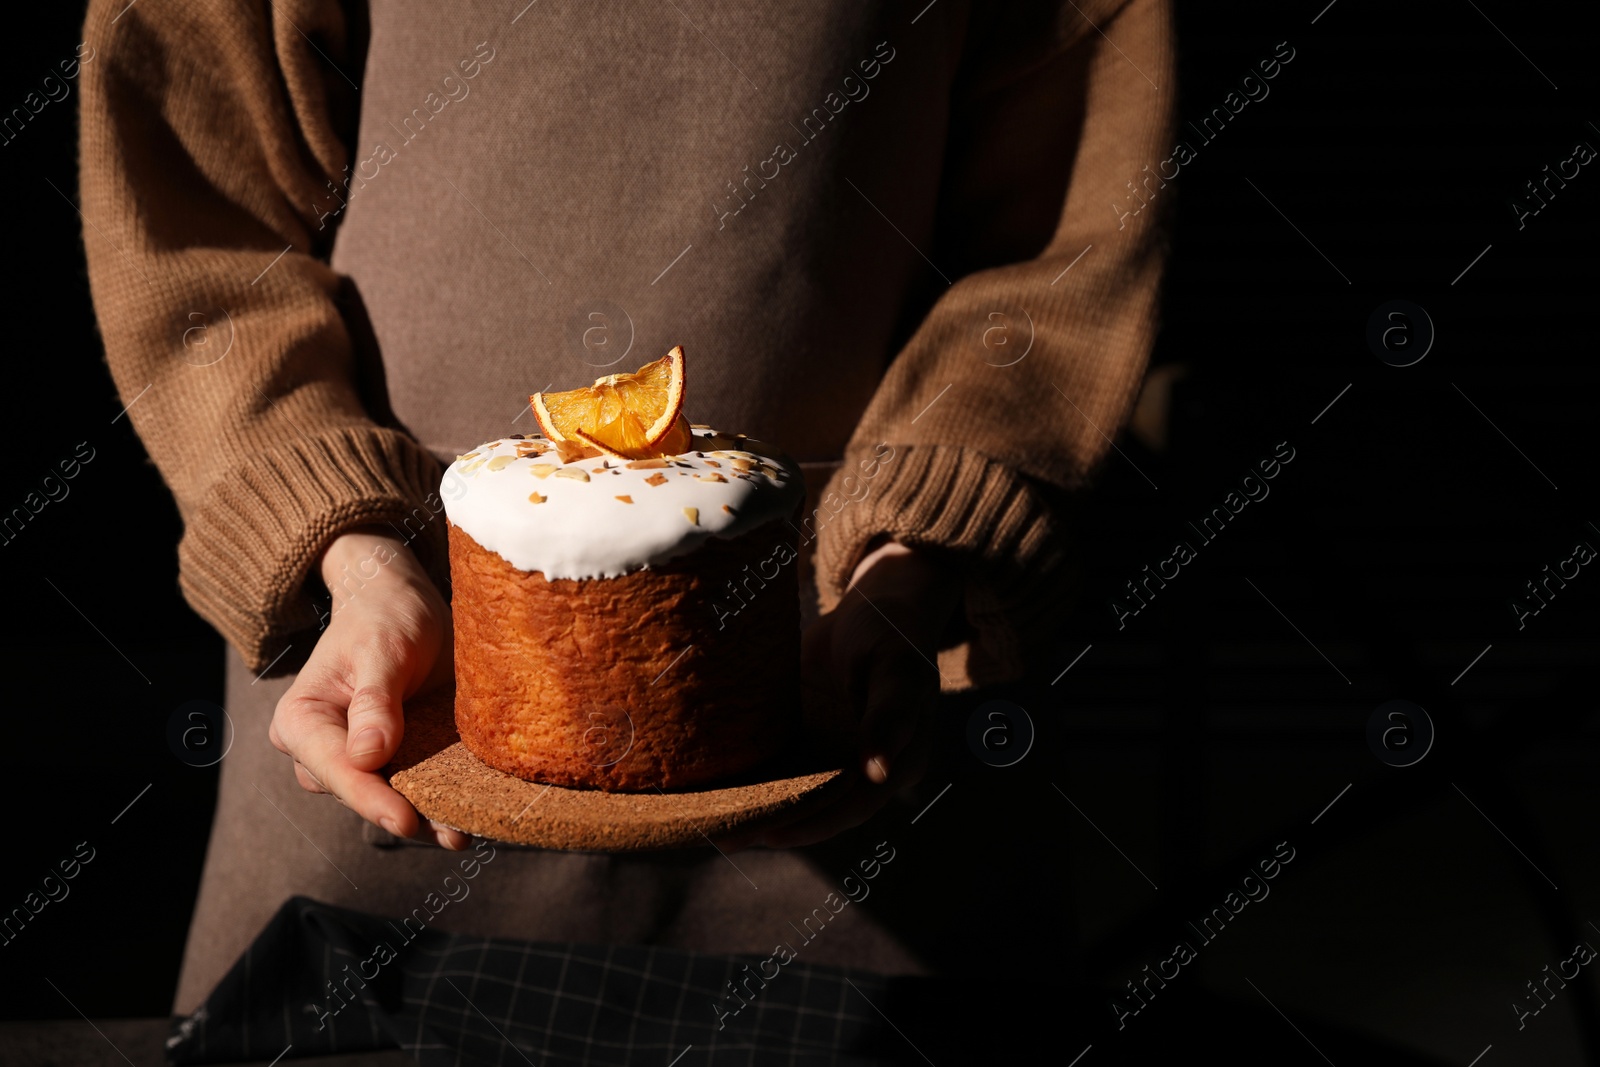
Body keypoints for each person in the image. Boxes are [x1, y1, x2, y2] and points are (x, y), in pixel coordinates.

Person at [80, 0, 1174, 1017]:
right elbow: (192, 216)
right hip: (390, 700)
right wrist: (353, 554)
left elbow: (1068, 242)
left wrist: (914, 556)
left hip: (858, 723)